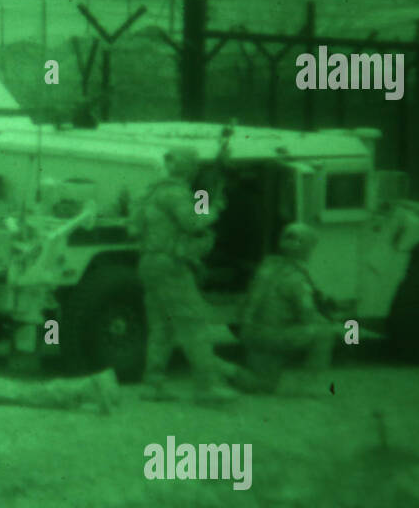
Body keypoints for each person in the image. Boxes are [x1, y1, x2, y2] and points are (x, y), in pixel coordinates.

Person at [133, 146, 238, 403]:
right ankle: (206, 387)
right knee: (194, 326)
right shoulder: (176, 193)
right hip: (171, 266)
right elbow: (192, 222)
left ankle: (153, 384)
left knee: (162, 328)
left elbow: (135, 228)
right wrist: (213, 209)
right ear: (188, 168)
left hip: (149, 263)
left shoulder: (151, 191)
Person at [240, 223, 344, 397]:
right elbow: (308, 316)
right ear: (306, 248)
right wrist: (336, 324)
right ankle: (310, 385)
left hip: (251, 334)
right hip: (274, 335)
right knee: (325, 332)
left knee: (263, 385)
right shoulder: (297, 278)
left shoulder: (266, 266)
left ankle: (223, 371)